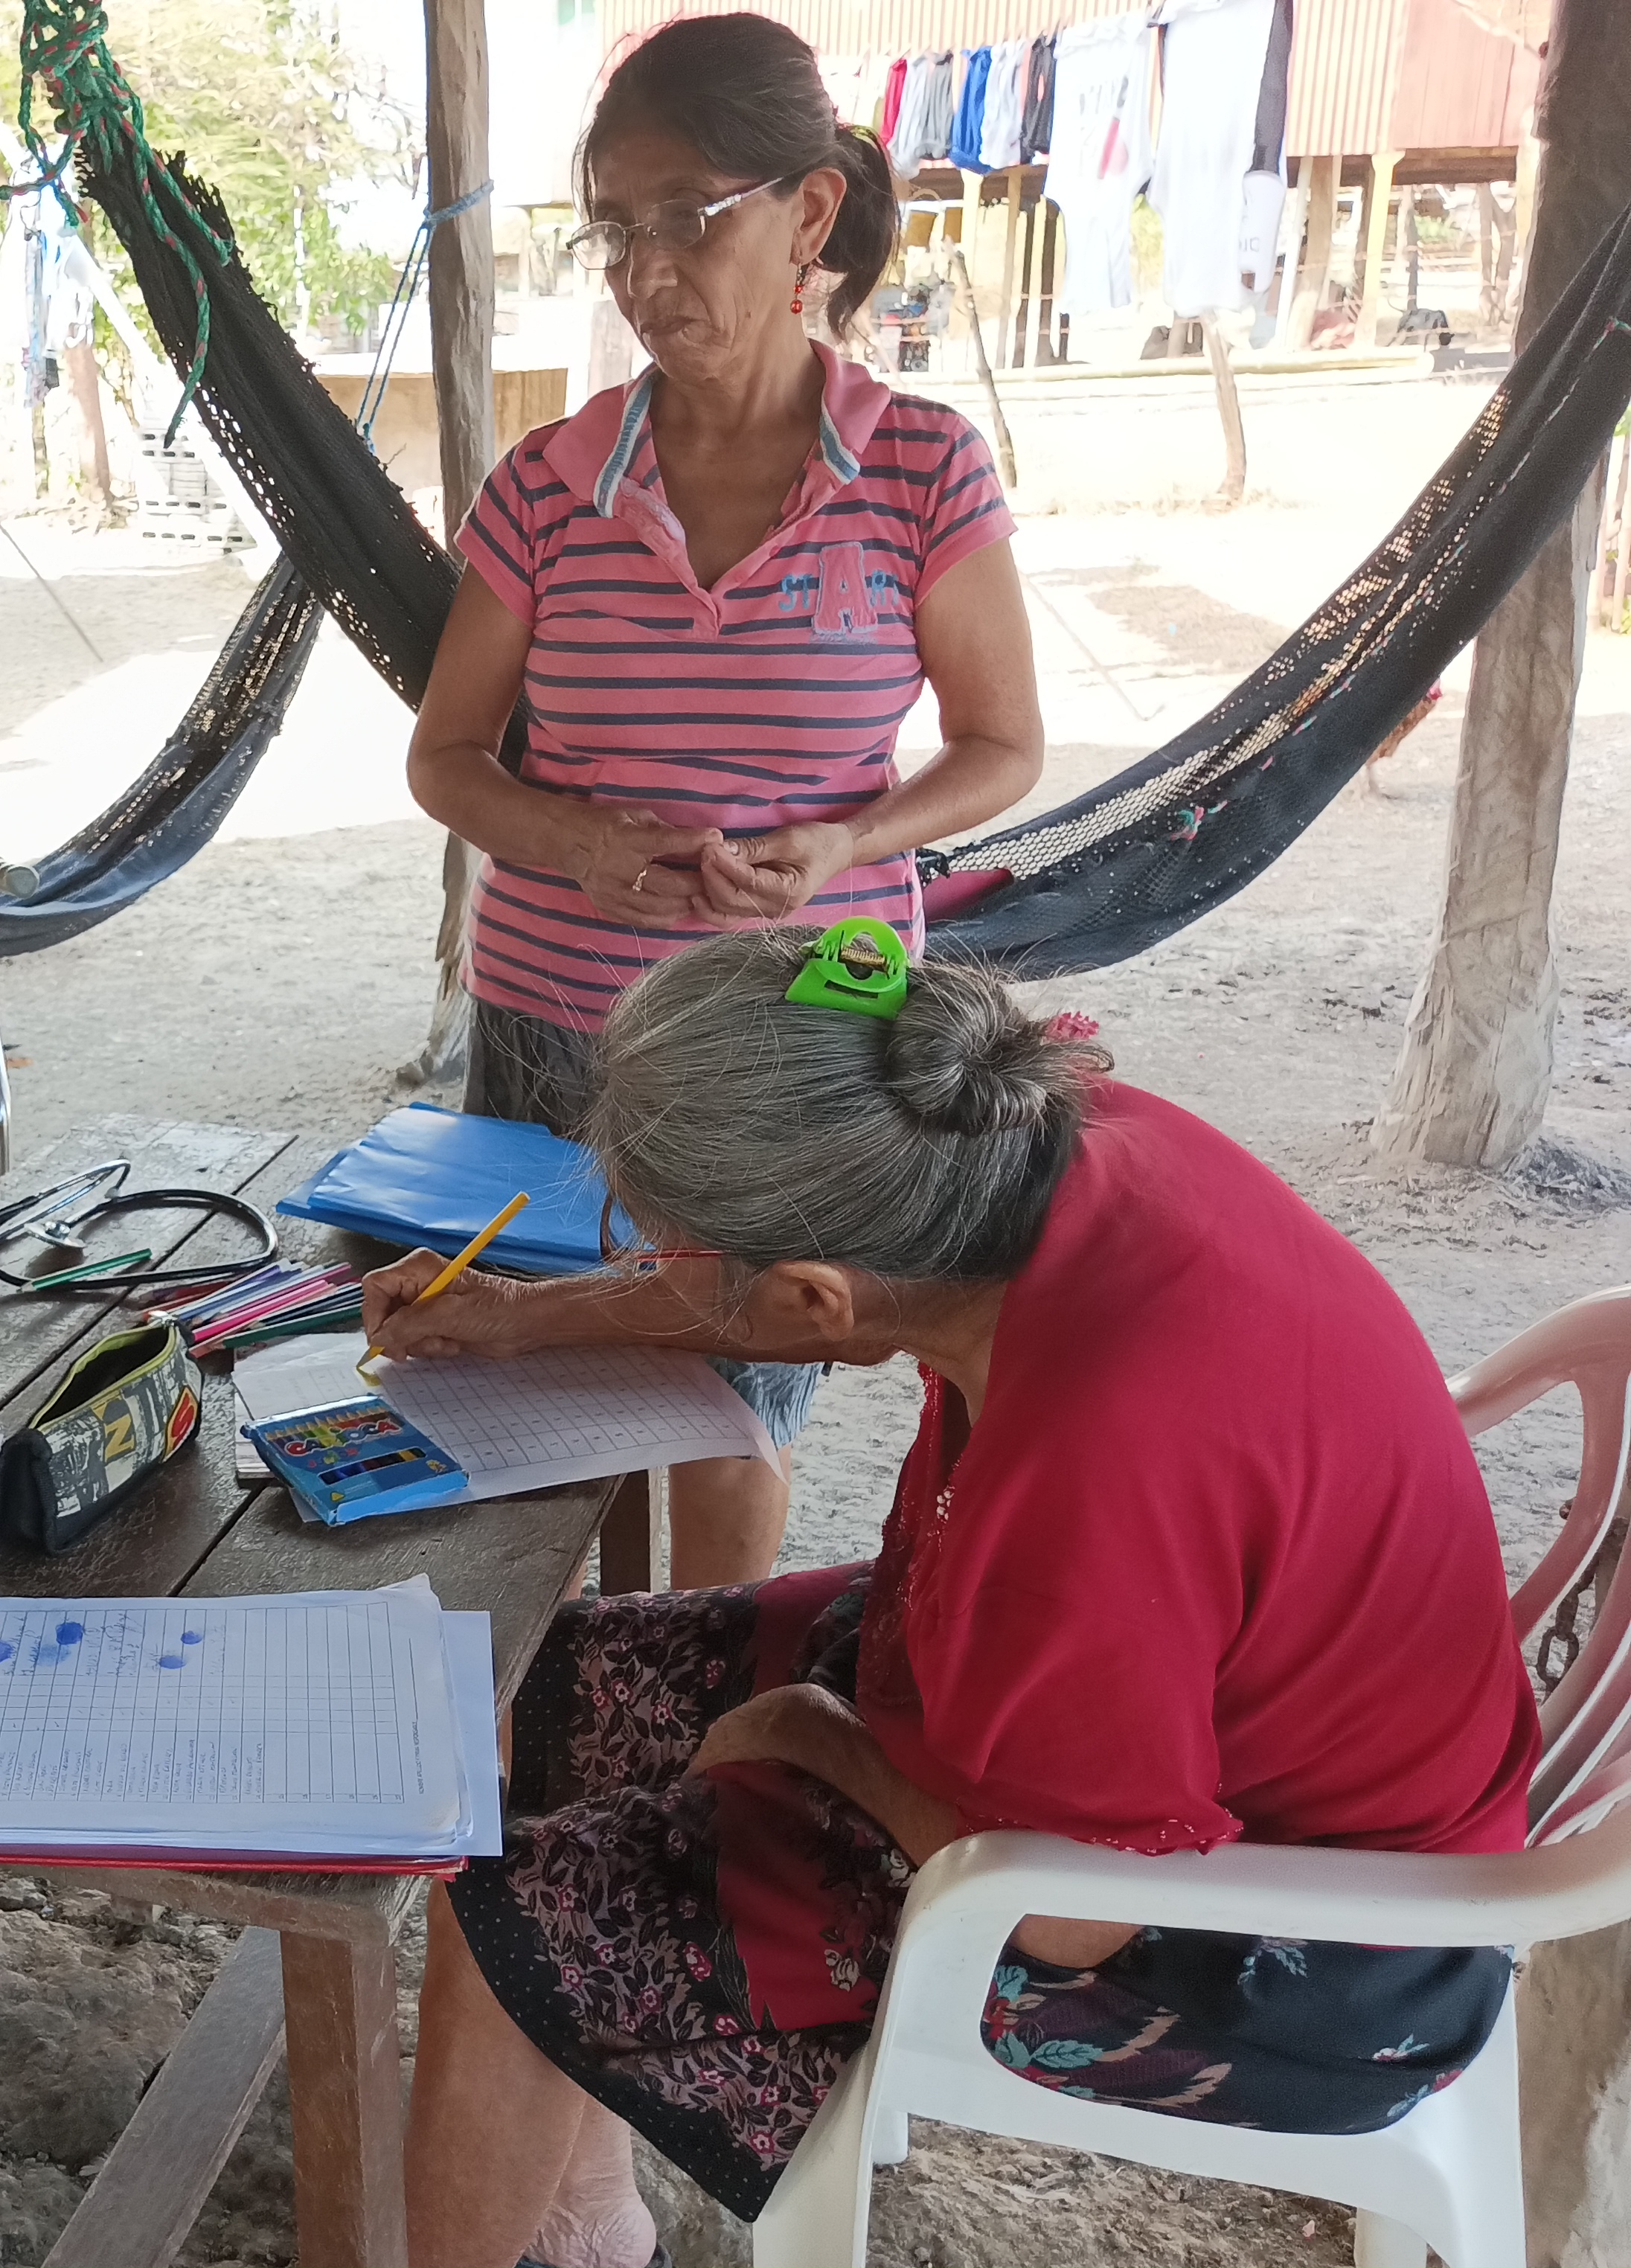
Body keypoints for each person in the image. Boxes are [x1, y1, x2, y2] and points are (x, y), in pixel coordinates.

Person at [366, 927, 1539, 2268]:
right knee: (538, 1691)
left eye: (669, 1249)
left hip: (1302, 1949)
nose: (651, 1267)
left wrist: (816, 1738)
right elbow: (783, 1289)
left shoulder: (1092, 1470)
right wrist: (517, 1316)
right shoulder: (1024, 1140)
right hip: (1187, 1707)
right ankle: (581, 2220)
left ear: (813, 1297)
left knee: (509, 1929)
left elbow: (1071, 1914)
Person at [408, 12, 1045, 1586]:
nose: (646, 273)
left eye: (689, 218)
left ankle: (703, 1697)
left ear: (809, 214)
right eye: (616, 231)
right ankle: (567, 1675)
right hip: (557, 1017)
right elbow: (447, 756)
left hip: (803, 1025)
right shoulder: (545, 485)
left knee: (732, 1401)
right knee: (530, 1381)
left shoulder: (922, 471)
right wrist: (574, 843)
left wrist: (849, 840)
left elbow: (1000, 744)